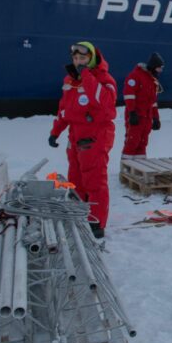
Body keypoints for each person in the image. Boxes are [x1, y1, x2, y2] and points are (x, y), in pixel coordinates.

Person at [48, 41, 117, 239]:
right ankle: (79, 215)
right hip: (75, 136)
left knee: (95, 182)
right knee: (76, 181)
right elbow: (64, 109)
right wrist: (56, 131)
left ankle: (96, 222)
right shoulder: (70, 81)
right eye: (76, 58)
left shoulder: (104, 80)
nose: (78, 62)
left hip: (95, 135)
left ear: (92, 59)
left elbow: (105, 105)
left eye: (83, 59)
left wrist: (86, 75)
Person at [121, 52, 164, 159]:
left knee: (143, 142)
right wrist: (132, 112)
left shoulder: (152, 80)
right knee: (132, 141)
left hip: (147, 118)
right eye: (159, 68)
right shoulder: (135, 76)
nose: (160, 71)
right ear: (153, 66)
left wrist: (156, 117)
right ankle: (126, 166)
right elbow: (129, 95)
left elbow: (153, 101)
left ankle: (140, 166)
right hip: (136, 115)